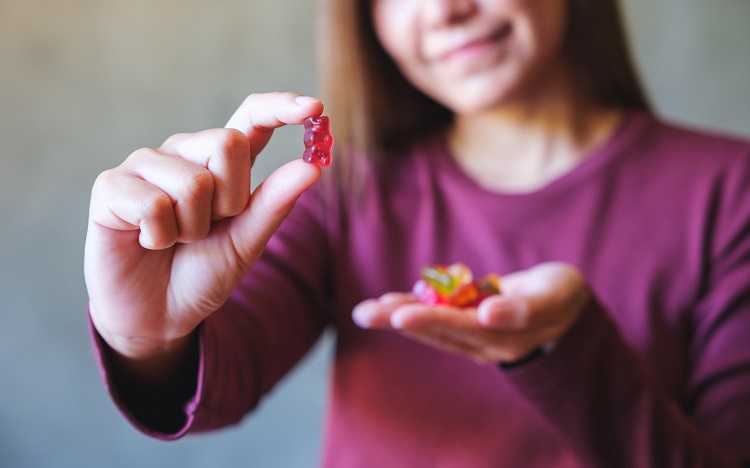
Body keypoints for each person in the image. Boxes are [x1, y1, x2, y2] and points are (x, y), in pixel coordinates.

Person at [84, 0, 750, 466]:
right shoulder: (344, 193)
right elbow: (222, 382)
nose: (442, 8)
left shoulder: (730, 190)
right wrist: (147, 336)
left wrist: (568, 351)